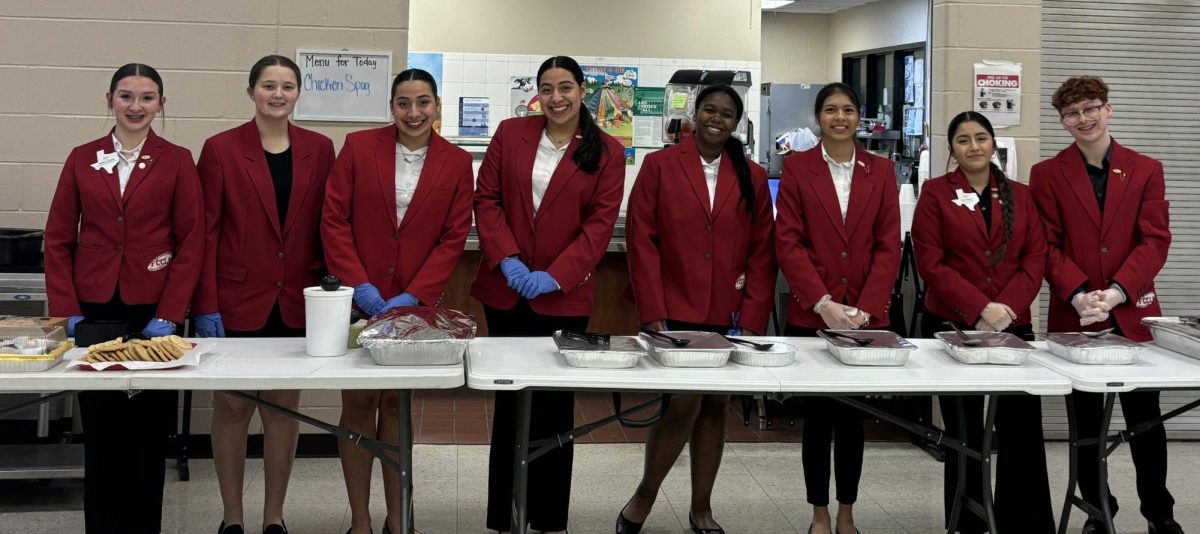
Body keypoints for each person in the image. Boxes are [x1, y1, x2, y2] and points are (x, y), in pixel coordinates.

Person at [44, 63, 204, 534]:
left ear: (161, 104)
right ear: (109, 99)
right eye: (127, 96)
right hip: (94, 309)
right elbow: (57, 240)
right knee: (102, 429)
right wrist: (67, 309)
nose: (136, 107)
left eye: (147, 97)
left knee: (148, 431)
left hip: (153, 309)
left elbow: (192, 241)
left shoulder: (177, 159)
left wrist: (171, 314)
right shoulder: (81, 157)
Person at [473, 55, 625, 534]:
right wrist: (508, 258)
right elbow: (487, 200)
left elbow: (598, 228)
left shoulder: (607, 152)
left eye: (565, 87)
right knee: (510, 404)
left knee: (556, 409)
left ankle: (549, 518)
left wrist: (555, 276)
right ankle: (504, 516)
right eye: (547, 88)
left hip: (562, 297)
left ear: (583, 90)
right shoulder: (510, 133)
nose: (556, 98)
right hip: (506, 291)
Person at [617, 84, 776, 534]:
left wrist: (752, 319)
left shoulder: (754, 174)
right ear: (695, 114)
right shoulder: (660, 166)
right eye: (710, 109)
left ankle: (701, 508)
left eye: (727, 114)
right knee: (683, 405)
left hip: (728, 311)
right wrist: (652, 309)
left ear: (737, 122)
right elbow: (641, 239)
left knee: (714, 407)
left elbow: (763, 253)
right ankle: (645, 494)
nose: (717, 119)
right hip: (674, 307)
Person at [322, 68, 474, 534]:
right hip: (358, 302)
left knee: (396, 408)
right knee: (357, 405)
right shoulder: (358, 148)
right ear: (391, 107)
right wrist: (361, 286)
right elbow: (334, 220)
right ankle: (360, 520)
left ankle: (396, 517)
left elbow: (453, 238)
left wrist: (414, 295)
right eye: (404, 103)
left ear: (437, 106)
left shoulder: (456, 161)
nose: (414, 113)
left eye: (423, 102)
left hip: (415, 305)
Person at [1030, 76, 1180, 534]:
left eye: (1091, 108)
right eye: (1073, 113)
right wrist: (1078, 294)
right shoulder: (1048, 174)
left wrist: (1116, 291)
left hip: (1132, 314)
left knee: (1146, 422)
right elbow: (1047, 246)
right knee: (1086, 426)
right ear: (1063, 122)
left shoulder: (1146, 168)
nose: (1084, 119)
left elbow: (1154, 240)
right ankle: (1098, 509)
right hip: (1075, 315)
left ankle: (1160, 513)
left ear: (1108, 109)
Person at [193, 55, 335, 534]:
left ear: (298, 93)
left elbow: (327, 227)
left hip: (296, 298)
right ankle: (232, 516)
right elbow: (205, 233)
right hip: (235, 300)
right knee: (232, 408)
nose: (278, 95)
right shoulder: (220, 149)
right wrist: (205, 303)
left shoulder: (321, 148)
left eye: (288, 86)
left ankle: (274, 516)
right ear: (251, 91)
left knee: (281, 408)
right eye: (269, 86)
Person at [912, 111, 1052, 534]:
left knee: (1022, 428)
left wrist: (1006, 308)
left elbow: (1036, 257)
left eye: (981, 138)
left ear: (994, 144)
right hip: (954, 325)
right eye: (962, 140)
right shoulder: (936, 194)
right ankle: (967, 521)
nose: (973, 146)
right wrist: (979, 309)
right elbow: (930, 262)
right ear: (951, 149)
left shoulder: (1022, 196)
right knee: (965, 432)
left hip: (1013, 325)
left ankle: (1023, 522)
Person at [774, 82, 900, 534]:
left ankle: (846, 512)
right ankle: (819, 514)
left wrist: (865, 309)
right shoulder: (797, 169)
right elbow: (788, 241)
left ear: (859, 117)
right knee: (818, 418)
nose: (840, 118)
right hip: (813, 316)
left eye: (848, 110)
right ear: (818, 117)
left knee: (852, 419)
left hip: (865, 320)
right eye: (831, 110)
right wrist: (823, 302)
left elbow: (889, 245)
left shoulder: (881, 171)